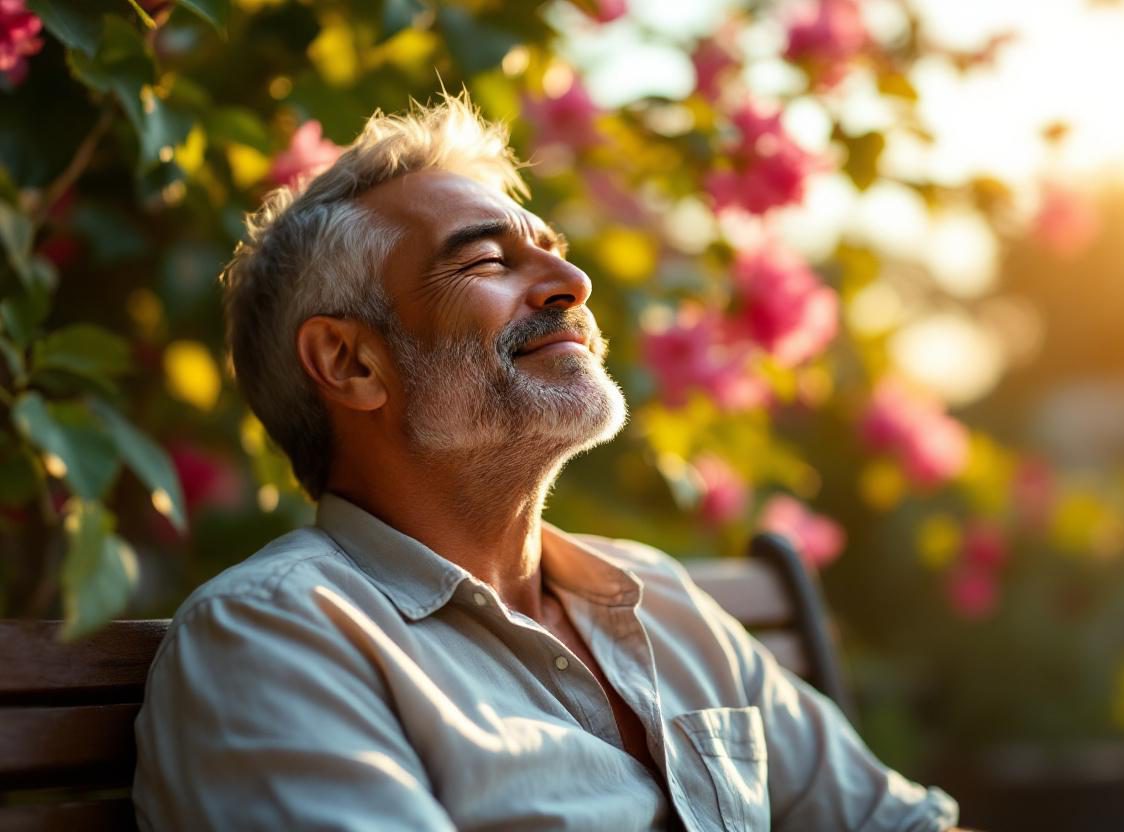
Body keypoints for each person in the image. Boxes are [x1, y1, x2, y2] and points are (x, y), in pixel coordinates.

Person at [133, 94, 961, 832]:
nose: (573, 282)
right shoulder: (276, 636)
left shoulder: (659, 600)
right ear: (351, 364)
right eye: (487, 260)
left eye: (555, 251)